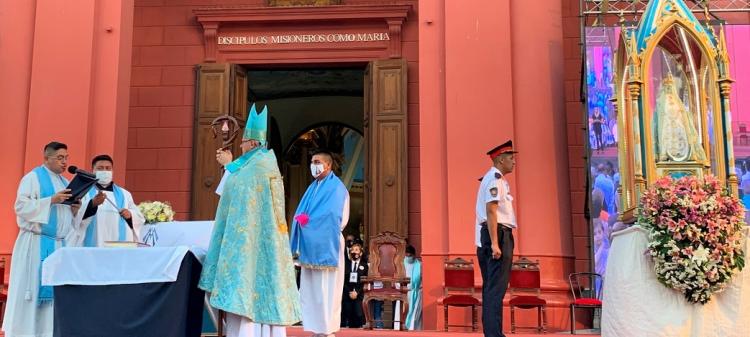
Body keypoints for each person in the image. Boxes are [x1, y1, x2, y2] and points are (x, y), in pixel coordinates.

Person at [199, 104, 301, 337]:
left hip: (254, 243)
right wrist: (232, 165)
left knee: (249, 293)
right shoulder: (253, 163)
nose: (241, 145)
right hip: (255, 241)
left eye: (244, 142)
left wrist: (228, 164)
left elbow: (242, 187)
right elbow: (231, 189)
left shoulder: (262, 164)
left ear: (253, 143)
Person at [2, 141, 78, 337]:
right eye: (60, 158)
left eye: (66, 158)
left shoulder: (65, 182)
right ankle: (26, 332)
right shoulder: (32, 178)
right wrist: (51, 200)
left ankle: (48, 332)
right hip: (36, 243)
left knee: (55, 294)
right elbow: (20, 207)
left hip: (58, 243)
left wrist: (74, 209)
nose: (64, 162)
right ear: (46, 158)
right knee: (32, 290)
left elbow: (67, 217)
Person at [289, 149, 349, 337]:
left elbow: (333, 216)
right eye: (312, 162)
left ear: (328, 165)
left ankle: (327, 328)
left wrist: (309, 221)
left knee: (327, 289)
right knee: (311, 289)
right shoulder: (312, 187)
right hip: (309, 244)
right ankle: (315, 328)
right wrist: (300, 221)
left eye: (317, 161)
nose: (313, 165)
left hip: (327, 243)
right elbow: (302, 213)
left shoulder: (337, 188)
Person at [475, 140, 518, 337]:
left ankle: (493, 333)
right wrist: (494, 243)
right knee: (496, 289)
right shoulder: (495, 179)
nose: (514, 161)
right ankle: (494, 335)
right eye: (510, 157)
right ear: (500, 160)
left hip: (491, 234)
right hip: (498, 235)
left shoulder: (491, 178)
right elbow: (491, 211)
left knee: (492, 288)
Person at [67, 154, 145, 247]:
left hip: (119, 244)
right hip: (94, 242)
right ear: (93, 170)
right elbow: (74, 216)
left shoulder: (125, 194)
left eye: (108, 168)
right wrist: (92, 204)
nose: (105, 171)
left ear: (112, 171)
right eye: (100, 168)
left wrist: (130, 214)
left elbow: (139, 218)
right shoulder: (84, 192)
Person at [340, 241, 367, 328]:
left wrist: (357, 292)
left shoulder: (365, 266)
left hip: (358, 294)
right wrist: (350, 292)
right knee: (347, 313)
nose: (354, 252)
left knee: (358, 314)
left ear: (361, 253)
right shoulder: (346, 265)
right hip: (347, 293)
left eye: (356, 250)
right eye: (352, 250)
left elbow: (364, 281)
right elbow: (343, 280)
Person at [403, 245, 422, 330]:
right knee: (404, 311)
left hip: (415, 291)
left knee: (414, 312)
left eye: (409, 256)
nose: (408, 257)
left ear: (414, 255)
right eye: (406, 255)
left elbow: (423, 278)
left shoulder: (419, 265)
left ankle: (412, 328)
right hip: (404, 291)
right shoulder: (401, 264)